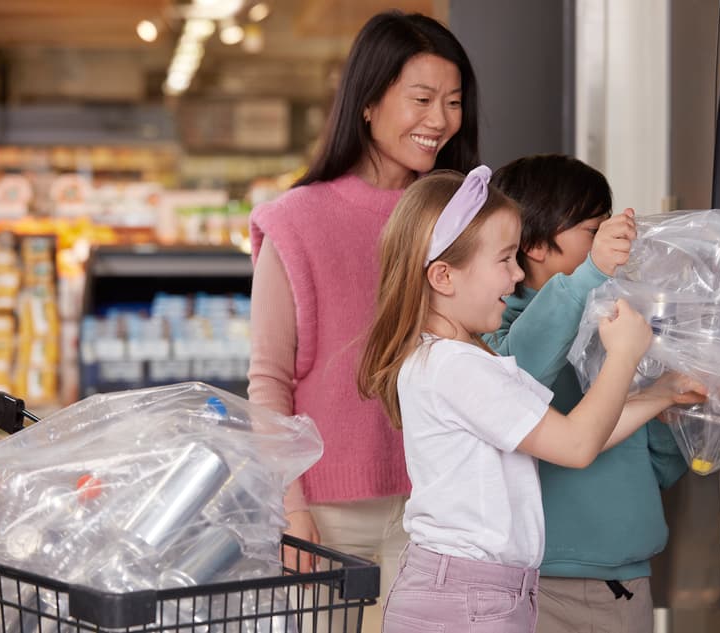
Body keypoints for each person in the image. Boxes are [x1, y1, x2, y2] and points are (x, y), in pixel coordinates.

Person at [357, 166, 706, 631]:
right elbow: (578, 446)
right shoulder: (457, 367)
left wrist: (661, 394)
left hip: (475, 591)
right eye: (504, 260)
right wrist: (624, 356)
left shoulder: (455, 359)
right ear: (443, 276)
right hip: (469, 599)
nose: (517, 274)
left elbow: (578, 434)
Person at [246, 10, 480, 630]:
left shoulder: (462, 219)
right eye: (422, 99)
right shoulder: (294, 221)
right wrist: (291, 510)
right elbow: (269, 380)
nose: (440, 121)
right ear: (369, 103)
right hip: (325, 514)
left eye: (453, 103)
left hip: (437, 505)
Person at [488, 153, 689, 633]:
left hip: (626, 582)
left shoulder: (618, 325)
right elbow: (523, 376)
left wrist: (667, 416)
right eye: (592, 229)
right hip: (538, 584)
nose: (610, 242)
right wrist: (589, 276)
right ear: (534, 244)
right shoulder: (499, 329)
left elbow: (659, 462)